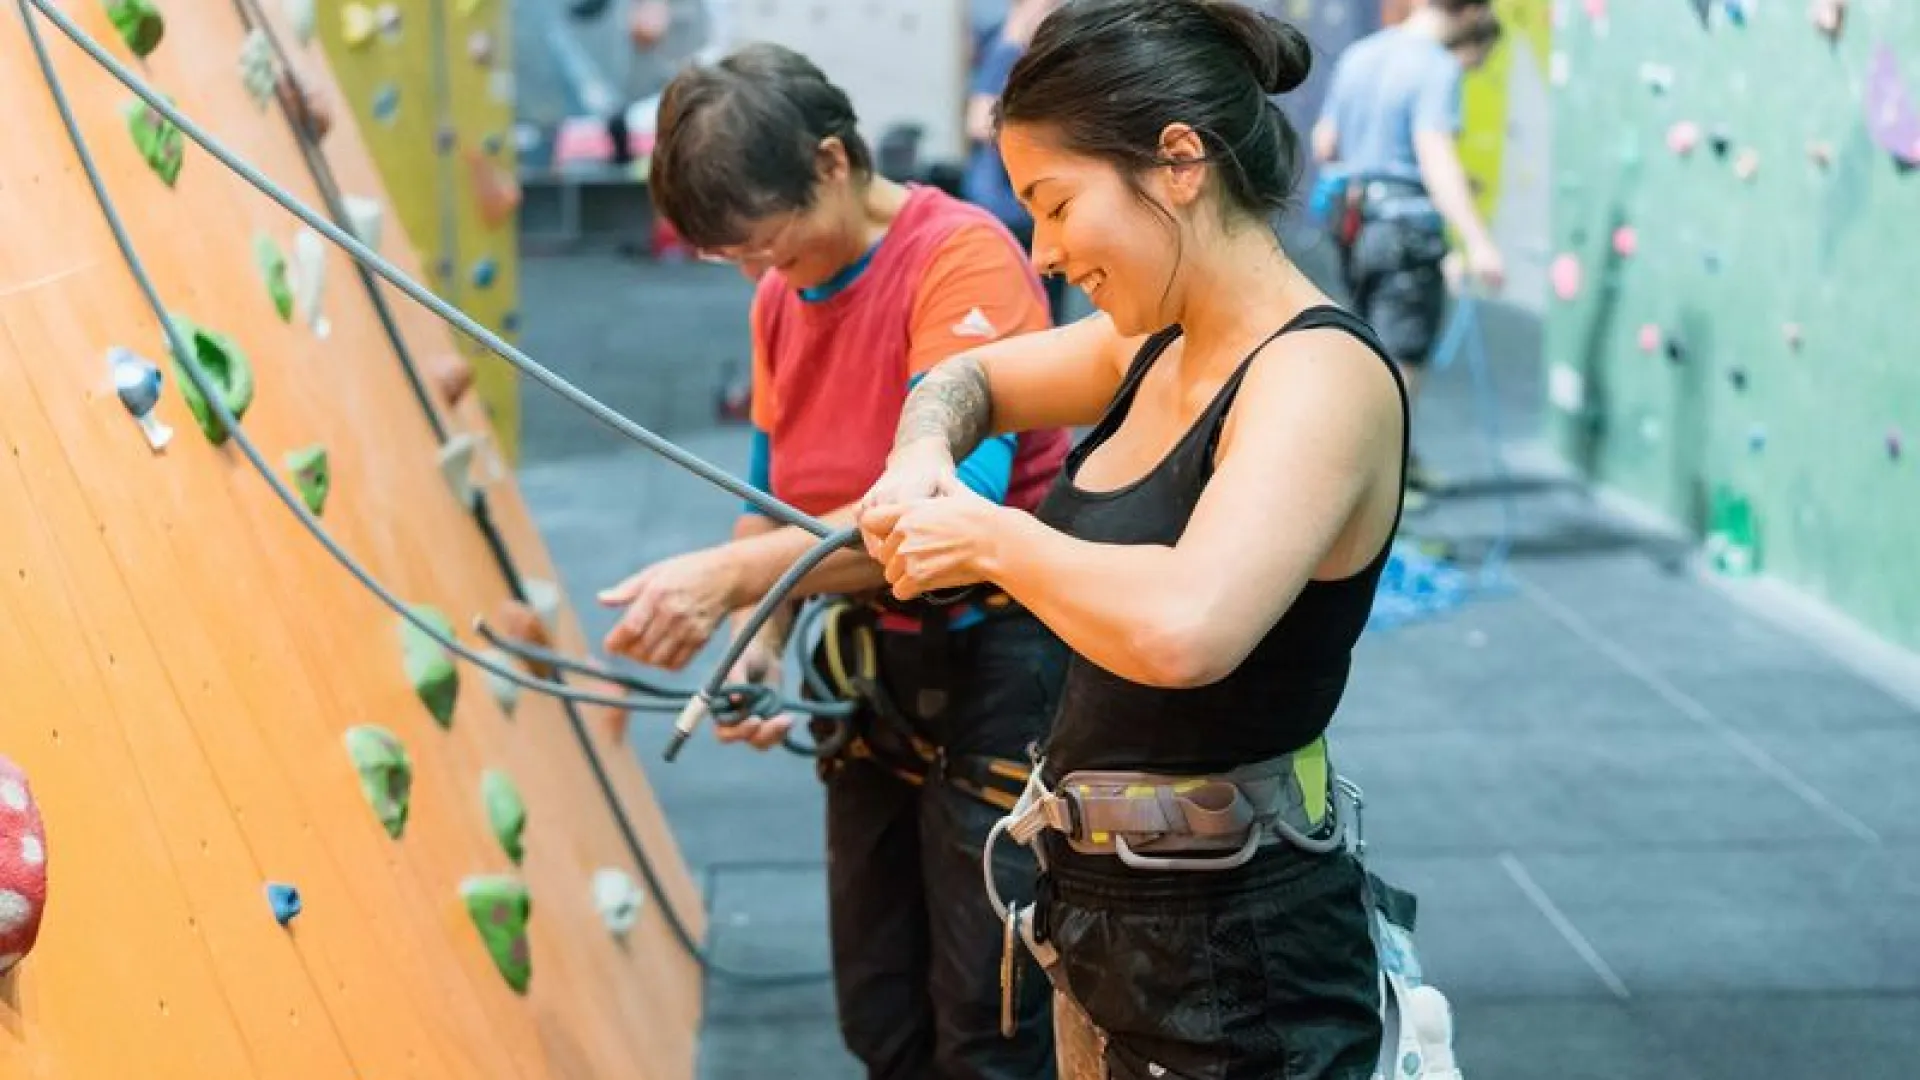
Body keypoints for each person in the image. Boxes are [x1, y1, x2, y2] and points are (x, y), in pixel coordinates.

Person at [856, 1, 1412, 1076]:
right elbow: (967, 378)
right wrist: (921, 455)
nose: (1045, 250)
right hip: (1104, 909)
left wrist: (990, 536)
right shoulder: (1151, 343)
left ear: (1177, 163)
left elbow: (1187, 628)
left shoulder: (1317, 376)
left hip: (1242, 939)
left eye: (1055, 204)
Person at [595, 42, 1073, 1080]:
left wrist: (735, 581)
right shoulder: (781, 298)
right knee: (879, 1009)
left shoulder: (962, 261)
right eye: (740, 263)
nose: (768, 277)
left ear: (831, 162)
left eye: (773, 246)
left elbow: (950, 511)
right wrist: (756, 644)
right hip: (872, 668)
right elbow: (770, 505)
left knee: (989, 1022)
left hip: (1000, 661)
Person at [1310, 0, 1505, 512]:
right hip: (1405, 228)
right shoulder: (1436, 66)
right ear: (1469, 13)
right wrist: (1478, 241)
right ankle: (1381, 487)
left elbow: (1325, 144)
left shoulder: (1360, 54)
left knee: (1371, 347)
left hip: (1353, 222)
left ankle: (1390, 468)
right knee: (1403, 360)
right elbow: (1435, 156)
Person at [961, 0, 1068, 321]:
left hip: (1041, 210)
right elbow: (979, 121)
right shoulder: (1006, 54)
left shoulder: (1047, 59)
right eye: (1045, 9)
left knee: (1049, 314)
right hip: (1004, 207)